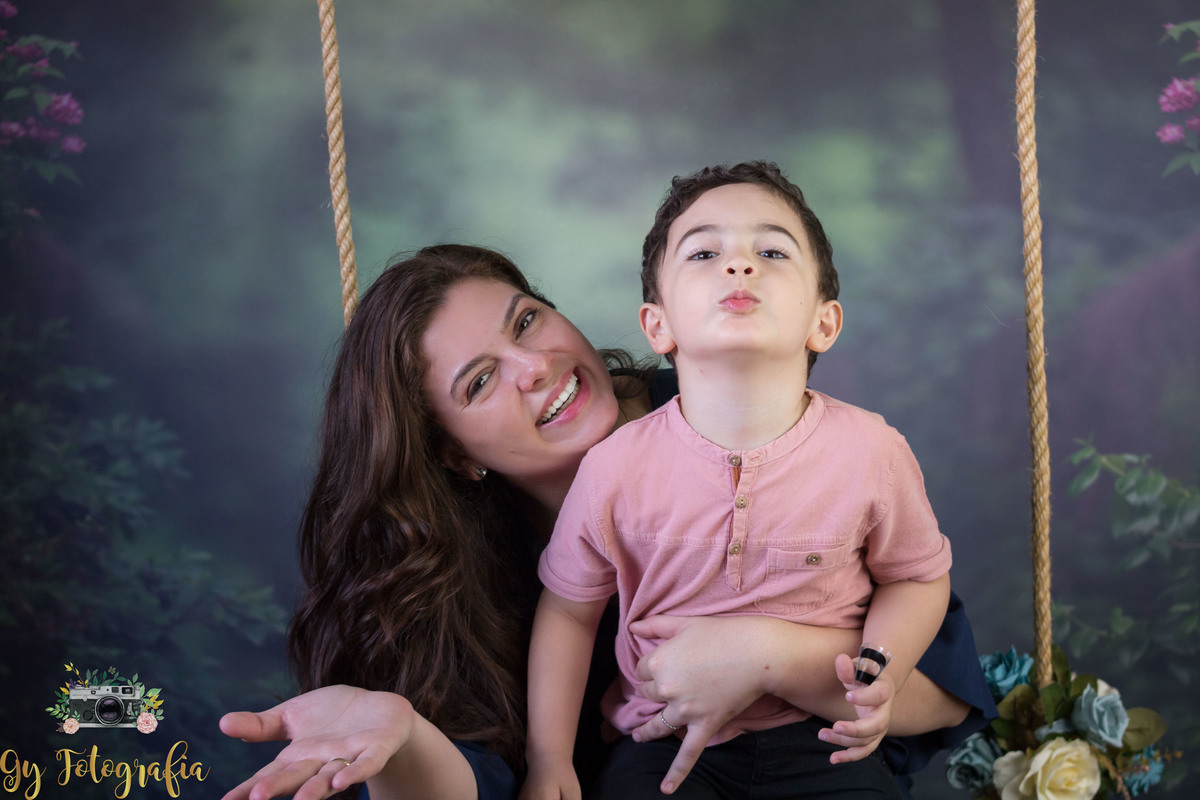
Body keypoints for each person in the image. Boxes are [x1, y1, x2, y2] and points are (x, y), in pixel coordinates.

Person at [219, 243, 994, 800]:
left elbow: (943, 697)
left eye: (526, 322)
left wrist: (769, 655)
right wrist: (405, 736)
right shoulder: (461, 575)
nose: (535, 368)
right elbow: (483, 782)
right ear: (452, 454)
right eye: (481, 381)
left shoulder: (739, 419)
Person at [522, 162, 969, 800]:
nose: (739, 265)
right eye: (704, 253)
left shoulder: (873, 451)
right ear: (658, 326)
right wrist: (548, 760)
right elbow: (568, 612)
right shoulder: (613, 467)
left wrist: (882, 675)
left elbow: (915, 577)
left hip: (819, 735)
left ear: (823, 323)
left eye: (771, 251)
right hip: (663, 737)